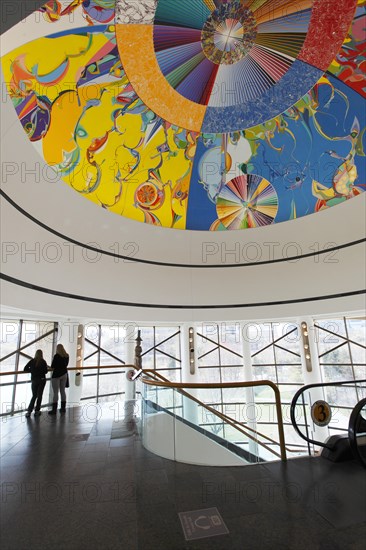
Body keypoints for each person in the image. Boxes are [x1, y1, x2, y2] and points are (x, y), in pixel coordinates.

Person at [24, 349, 48, 417]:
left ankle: (29, 411)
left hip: (34, 380)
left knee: (34, 395)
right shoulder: (43, 362)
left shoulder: (32, 361)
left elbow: (25, 368)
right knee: (39, 396)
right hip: (42, 380)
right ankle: (37, 411)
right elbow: (46, 371)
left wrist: (31, 371)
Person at [49, 344, 69, 415]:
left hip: (57, 375)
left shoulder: (56, 356)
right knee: (62, 391)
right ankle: (63, 408)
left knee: (55, 392)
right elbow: (66, 365)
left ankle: (54, 410)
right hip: (64, 374)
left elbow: (52, 366)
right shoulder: (67, 356)